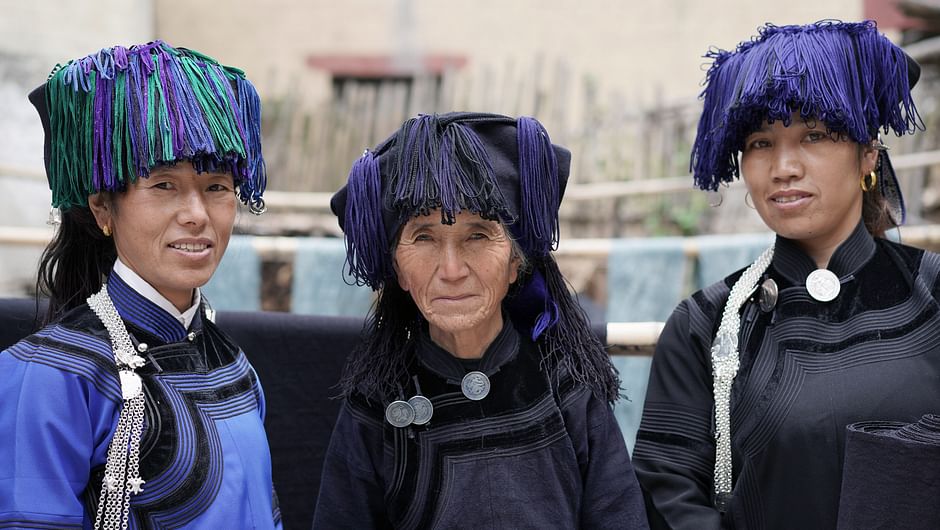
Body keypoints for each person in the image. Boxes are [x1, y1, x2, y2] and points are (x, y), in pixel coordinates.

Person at [632, 20, 938, 529]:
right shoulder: (705, 326)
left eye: (814, 135)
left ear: (868, 153)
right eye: (760, 142)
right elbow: (667, 494)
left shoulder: (932, 294)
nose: (783, 167)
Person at [313, 112, 648, 529]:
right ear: (398, 270)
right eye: (423, 237)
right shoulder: (377, 402)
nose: (452, 270)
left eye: (478, 235)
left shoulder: (566, 386)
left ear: (515, 263)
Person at [0, 41, 281, 528]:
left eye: (216, 187)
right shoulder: (49, 375)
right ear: (102, 209)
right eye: (164, 185)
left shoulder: (234, 365)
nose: (196, 215)